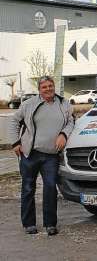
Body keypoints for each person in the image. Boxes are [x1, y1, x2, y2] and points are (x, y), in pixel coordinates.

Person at [8, 76, 74, 236]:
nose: (48, 89)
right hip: (30, 154)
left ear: (54, 86)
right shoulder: (29, 104)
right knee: (28, 187)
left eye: (50, 86)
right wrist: (15, 143)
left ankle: (50, 224)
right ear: (39, 89)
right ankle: (29, 223)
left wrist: (64, 134)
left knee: (51, 188)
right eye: (44, 87)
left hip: (51, 155)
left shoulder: (63, 103)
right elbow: (14, 121)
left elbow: (71, 121)